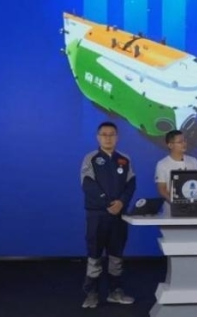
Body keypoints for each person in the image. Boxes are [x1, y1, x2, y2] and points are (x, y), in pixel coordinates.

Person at [80, 121, 136, 309]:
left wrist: (121, 202)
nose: (108, 138)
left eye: (112, 134)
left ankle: (115, 292)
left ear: (117, 137)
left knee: (116, 255)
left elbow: (131, 184)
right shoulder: (91, 158)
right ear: (98, 137)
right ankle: (92, 294)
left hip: (119, 215)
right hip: (97, 215)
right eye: (104, 135)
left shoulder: (125, 159)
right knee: (94, 254)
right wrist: (107, 203)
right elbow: (88, 184)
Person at [155, 130, 197, 215]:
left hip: (193, 207)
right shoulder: (162, 164)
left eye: (184, 141)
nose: (184, 144)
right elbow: (162, 189)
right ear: (170, 145)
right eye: (180, 142)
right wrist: (176, 203)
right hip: (171, 210)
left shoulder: (193, 161)